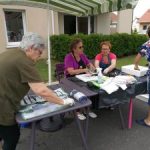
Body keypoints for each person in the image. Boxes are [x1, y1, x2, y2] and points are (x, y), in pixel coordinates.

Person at [0, 32, 74, 150]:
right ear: (31, 48)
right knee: (11, 137)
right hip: (3, 107)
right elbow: (41, 91)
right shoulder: (24, 60)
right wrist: (63, 101)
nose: (39, 57)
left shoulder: (11, 53)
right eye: (39, 53)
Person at [64, 38, 97, 120]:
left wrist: (93, 68)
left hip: (83, 78)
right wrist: (84, 70)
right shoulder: (69, 57)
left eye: (82, 47)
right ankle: (78, 111)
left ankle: (87, 109)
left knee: (92, 87)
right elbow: (71, 72)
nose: (82, 48)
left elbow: (89, 65)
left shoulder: (82, 55)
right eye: (80, 47)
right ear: (74, 49)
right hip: (71, 79)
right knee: (81, 89)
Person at [134, 26, 150, 127]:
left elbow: (137, 58)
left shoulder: (147, 44)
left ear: (148, 34)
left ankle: (148, 121)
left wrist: (135, 65)